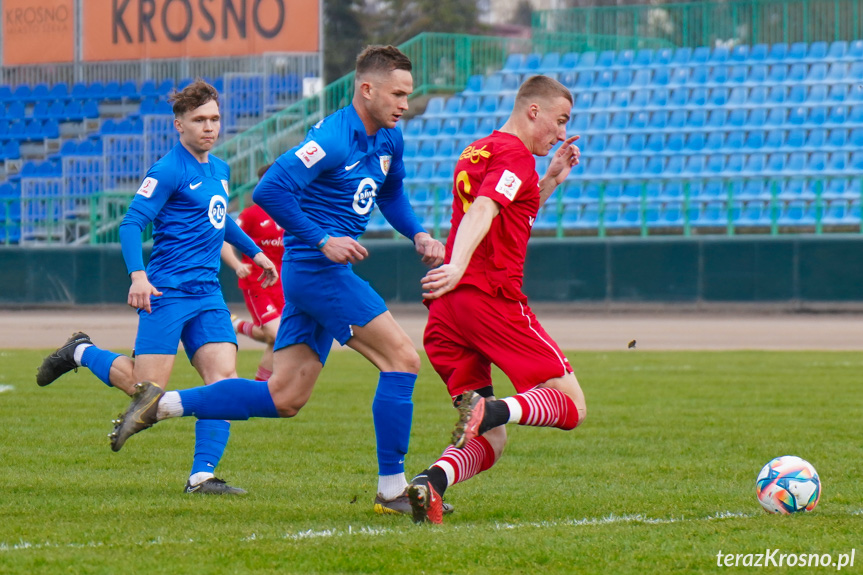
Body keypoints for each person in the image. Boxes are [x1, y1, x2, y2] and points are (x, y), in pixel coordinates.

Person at [106, 45, 448, 516]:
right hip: (316, 269)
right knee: (404, 360)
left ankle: (160, 407)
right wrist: (322, 238)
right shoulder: (331, 137)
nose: (405, 104)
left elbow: (391, 195)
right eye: (398, 94)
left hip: (321, 271)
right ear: (367, 89)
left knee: (284, 397)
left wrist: (419, 233)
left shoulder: (390, 139)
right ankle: (391, 491)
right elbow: (270, 189)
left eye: (407, 95)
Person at [36, 80, 278, 495]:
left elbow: (220, 219)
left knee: (222, 383)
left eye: (215, 119)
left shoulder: (218, 168)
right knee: (144, 389)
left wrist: (254, 252)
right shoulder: (168, 169)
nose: (209, 127)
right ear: (178, 125)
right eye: (199, 120)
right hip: (166, 291)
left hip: (207, 294)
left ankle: (201, 477)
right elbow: (131, 223)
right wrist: (138, 275)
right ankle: (79, 350)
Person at [403, 75, 587, 524]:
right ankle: (497, 406)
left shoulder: (477, 150)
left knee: (492, 437)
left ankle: (431, 484)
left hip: (447, 314)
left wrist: (550, 182)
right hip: (487, 299)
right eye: (560, 121)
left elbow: (507, 211)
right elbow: (484, 210)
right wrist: (459, 266)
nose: (562, 133)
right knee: (572, 407)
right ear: (533, 111)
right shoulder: (514, 155)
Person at [220, 164, 285, 383]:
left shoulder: (289, 212)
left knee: (277, 339)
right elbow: (224, 239)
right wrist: (236, 264)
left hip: (284, 285)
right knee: (277, 335)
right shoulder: (251, 215)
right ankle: (237, 326)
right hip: (258, 283)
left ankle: (260, 387)